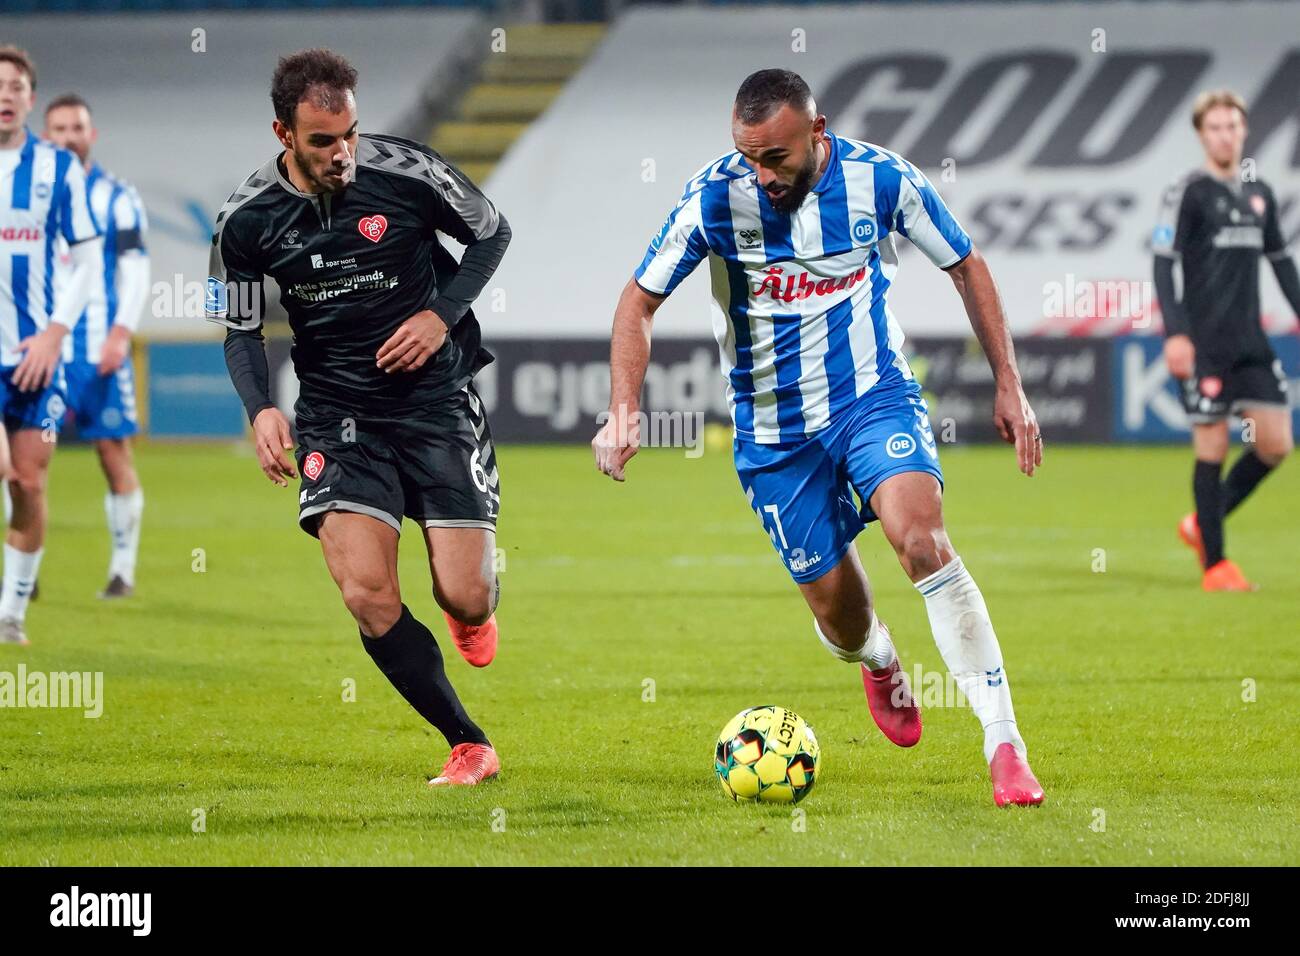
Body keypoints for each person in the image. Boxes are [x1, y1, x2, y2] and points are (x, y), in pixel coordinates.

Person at [593, 69, 1045, 806]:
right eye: (748, 157)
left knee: (923, 542)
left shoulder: (881, 181)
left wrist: (1009, 381)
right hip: (774, 438)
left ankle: (1004, 745)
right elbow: (638, 301)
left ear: (817, 132)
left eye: (776, 158)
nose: (761, 174)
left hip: (874, 399)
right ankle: (879, 658)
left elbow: (967, 265)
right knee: (840, 617)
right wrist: (623, 407)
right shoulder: (713, 198)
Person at [209, 49, 510, 786]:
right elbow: (239, 328)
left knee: (464, 592)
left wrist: (441, 316)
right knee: (367, 595)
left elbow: (492, 233)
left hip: (435, 401)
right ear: (283, 132)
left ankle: (469, 610)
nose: (342, 154)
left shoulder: (406, 172)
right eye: (322, 141)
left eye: (349, 134)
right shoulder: (244, 222)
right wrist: (260, 412)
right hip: (336, 418)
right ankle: (469, 743)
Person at [1154, 89, 1299, 591]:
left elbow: (1282, 266)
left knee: (1277, 444)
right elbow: (1163, 261)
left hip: (1251, 343)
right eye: (1214, 127)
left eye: (1232, 126)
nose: (1224, 135)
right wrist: (1176, 335)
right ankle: (1216, 566)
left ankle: (1201, 521)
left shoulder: (1260, 196)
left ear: (1243, 131)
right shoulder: (1187, 192)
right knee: (1212, 446)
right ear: (1201, 135)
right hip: (1204, 344)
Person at [0, 46, 102, 646]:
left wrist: (55, 333)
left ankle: (11, 613)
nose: (5, 93)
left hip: (37, 359)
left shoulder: (58, 169)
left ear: (30, 100)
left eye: (15, 86)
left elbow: (87, 262)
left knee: (28, 483)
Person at [44, 93, 150, 599]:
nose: (68, 136)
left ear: (91, 135)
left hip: (97, 350)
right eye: (59, 128)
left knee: (112, 453)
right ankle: (28, 574)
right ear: (47, 135)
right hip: (39, 353)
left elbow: (134, 270)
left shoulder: (117, 196)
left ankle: (122, 570)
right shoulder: (26, 195)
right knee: (23, 463)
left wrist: (120, 332)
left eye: (76, 127)